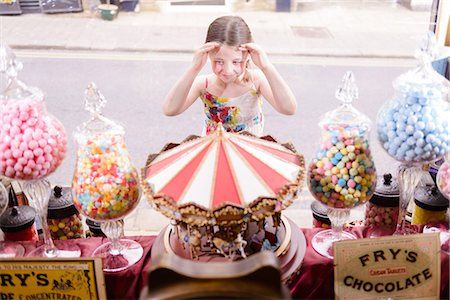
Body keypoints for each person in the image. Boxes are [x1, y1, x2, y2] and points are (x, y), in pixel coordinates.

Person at [163, 15, 297, 136]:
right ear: (208, 55)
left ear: (249, 55)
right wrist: (194, 68)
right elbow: (170, 109)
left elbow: (289, 108)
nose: (227, 71)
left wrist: (266, 66)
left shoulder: (256, 81)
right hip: (214, 152)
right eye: (219, 61)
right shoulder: (203, 85)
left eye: (237, 61)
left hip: (248, 151)